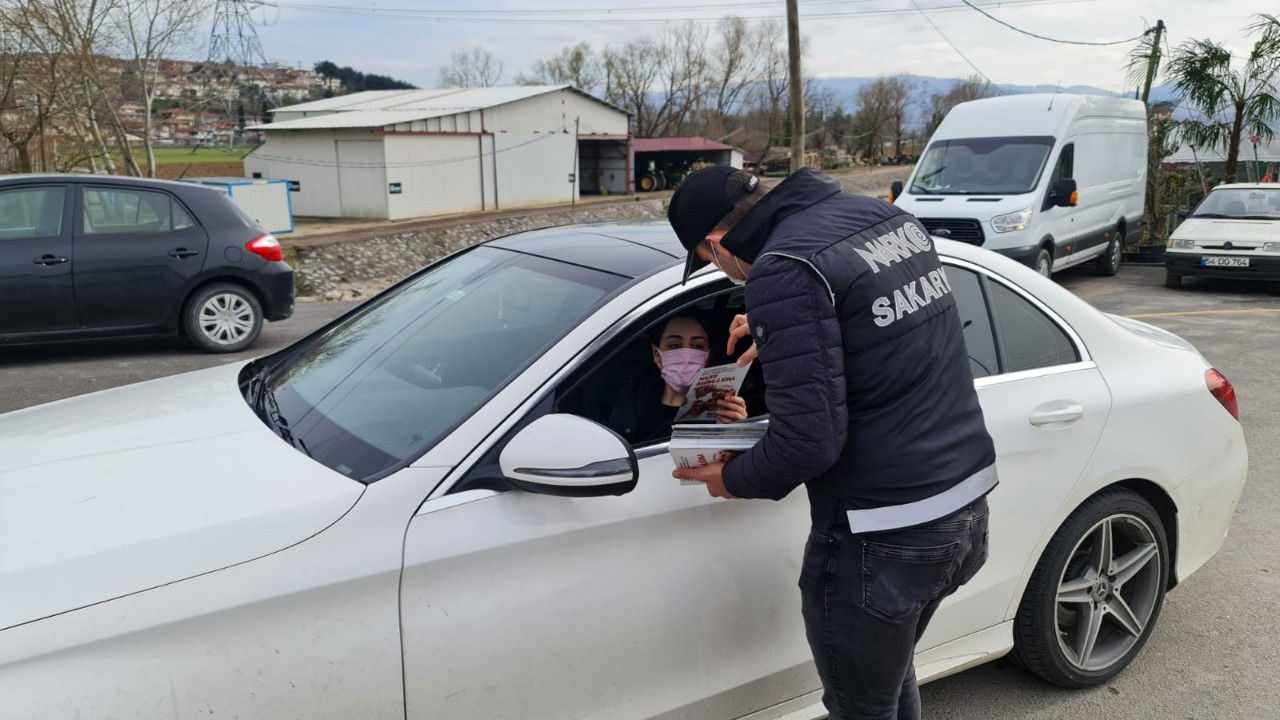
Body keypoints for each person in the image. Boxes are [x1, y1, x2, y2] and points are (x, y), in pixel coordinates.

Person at [667, 166, 996, 720]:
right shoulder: (883, 217)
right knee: (888, 685)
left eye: (709, 263)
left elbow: (807, 444)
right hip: (964, 511)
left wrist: (731, 480)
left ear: (715, 243)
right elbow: (882, 334)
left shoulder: (784, 268)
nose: (722, 272)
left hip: (882, 538)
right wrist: (785, 329)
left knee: (860, 707)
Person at [594, 313, 747, 445]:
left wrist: (737, 431)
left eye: (697, 346)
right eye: (674, 346)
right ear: (656, 353)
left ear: (708, 356)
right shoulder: (632, 395)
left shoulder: (722, 406)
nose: (686, 355)